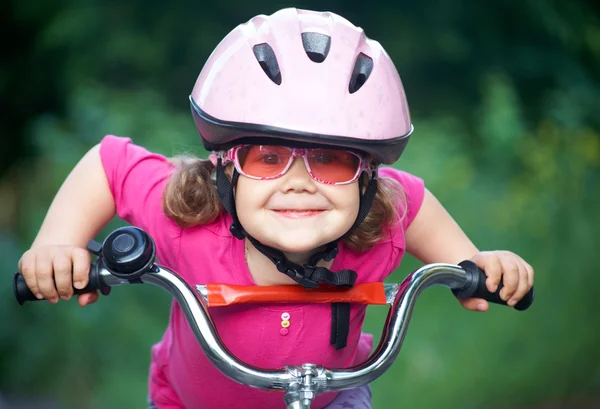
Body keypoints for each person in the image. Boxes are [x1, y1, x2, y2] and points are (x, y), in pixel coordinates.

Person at [17, 7, 534, 409]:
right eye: (268, 158)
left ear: (369, 180)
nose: (299, 184)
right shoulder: (188, 218)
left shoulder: (378, 223)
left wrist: (474, 263)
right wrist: (56, 246)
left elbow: (415, 205)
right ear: (223, 169)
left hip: (331, 395)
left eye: (331, 162)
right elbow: (108, 163)